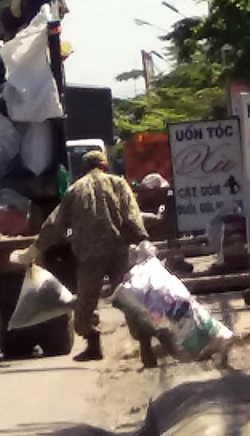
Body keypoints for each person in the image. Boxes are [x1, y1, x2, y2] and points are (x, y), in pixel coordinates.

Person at [10, 150, 158, 368]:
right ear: (104, 166)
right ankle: (145, 344)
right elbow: (132, 216)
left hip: (90, 257)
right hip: (119, 253)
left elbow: (55, 224)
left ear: (84, 169)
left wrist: (33, 251)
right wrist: (143, 240)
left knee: (85, 305)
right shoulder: (119, 184)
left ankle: (93, 344)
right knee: (130, 299)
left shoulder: (75, 190)